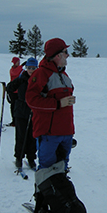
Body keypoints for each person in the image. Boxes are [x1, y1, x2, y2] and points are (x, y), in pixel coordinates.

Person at [26, 38, 75, 171]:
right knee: (47, 171)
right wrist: (58, 104)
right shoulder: (41, 73)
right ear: (57, 55)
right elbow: (31, 100)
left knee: (61, 170)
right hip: (49, 134)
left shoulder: (64, 74)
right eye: (65, 52)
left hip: (66, 132)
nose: (68, 55)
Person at [7, 57, 38, 170]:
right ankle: (19, 157)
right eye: (29, 68)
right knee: (20, 135)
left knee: (32, 136)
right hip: (21, 111)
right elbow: (10, 87)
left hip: (34, 111)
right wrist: (19, 81)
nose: (31, 70)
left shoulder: (38, 78)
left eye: (33, 68)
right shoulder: (22, 77)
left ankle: (31, 158)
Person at [7, 57, 24, 127]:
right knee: (13, 106)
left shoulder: (20, 69)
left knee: (18, 106)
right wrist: (21, 66)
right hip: (13, 91)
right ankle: (14, 120)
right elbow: (16, 73)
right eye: (17, 62)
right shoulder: (12, 70)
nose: (18, 63)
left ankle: (17, 120)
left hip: (18, 91)